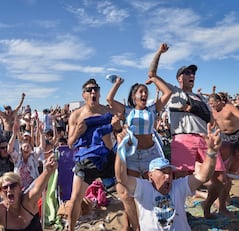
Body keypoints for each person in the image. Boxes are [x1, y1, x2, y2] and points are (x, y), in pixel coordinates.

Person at [106, 43, 172, 231]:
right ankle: (133, 225)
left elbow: (167, 92)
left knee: (154, 188)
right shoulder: (127, 111)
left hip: (151, 153)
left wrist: (153, 78)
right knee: (131, 192)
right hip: (133, 155)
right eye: (140, 92)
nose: (144, 94)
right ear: (134, 96)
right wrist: (118, 83)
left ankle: (152, 221)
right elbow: (110, 101)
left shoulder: (153, 109)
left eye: (145, 91)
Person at [115, 125, 222, 230]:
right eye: (162, 172)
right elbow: (121, 178)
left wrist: (212, 153)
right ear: (150, 175)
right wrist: (121, 148)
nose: (168, 176)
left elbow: (203, 176)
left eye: (170, 172)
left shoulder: (179, 186)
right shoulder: (143, 188)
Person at [165, 64, 226, 218]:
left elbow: (210, 119)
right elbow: (153, 75)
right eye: (187, 73)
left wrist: (214, 129)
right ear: (179, 78)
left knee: (220, 178)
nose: (191, 75)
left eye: (193, 73)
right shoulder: (173, 92)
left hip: (204, 138)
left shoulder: (201, 98)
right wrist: (159, 53)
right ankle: (179, 212)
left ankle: (207, 206)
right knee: (180, 179)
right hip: (183, 137)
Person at [66, 78, 121, 231]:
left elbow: (120, 134)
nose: (93, 92)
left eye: (95, 89)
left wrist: (117, 128)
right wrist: (78, 131)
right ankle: (70, 228)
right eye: (89, 90)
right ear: (84, 95)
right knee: (75, 198)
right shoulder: (76, 116)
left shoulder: (108, 112)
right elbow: (70, 144)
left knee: (125, 193)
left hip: (107, 156)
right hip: (87, 159)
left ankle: (130, 226)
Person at [207, 93, 239, 211]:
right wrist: (211, 128)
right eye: (210, 104)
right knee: (225, 168)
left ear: (219, 101)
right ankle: (224, 199)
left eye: (212, 104)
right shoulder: (213, 110)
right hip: (224, 137)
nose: (211, 106)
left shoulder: (229, 107)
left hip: (237, 134)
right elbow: (214, 123)